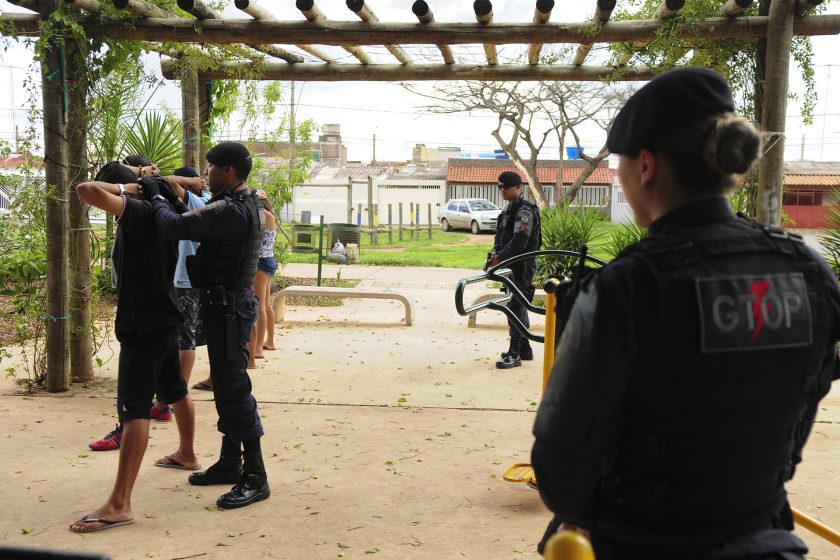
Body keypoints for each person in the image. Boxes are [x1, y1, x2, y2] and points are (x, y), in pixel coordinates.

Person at [531, 68, 840, 560]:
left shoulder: (626, 287)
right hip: (763, 536)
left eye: (620, 164)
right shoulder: (808, 270)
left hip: (639, 543)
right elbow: (800, 413)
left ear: (647, 166)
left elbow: (560, 470)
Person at [70, 162, 200, 533]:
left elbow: (85, 189)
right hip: (164, 318)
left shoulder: (141, 210)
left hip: (143, 325)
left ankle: (120, 503)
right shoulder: (167, 209)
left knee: (134, 411)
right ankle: (187, 453)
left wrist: (129, 186)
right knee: (175, 390)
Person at [145, 142, 271, 510]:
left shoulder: (233, 210)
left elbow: (173, 228)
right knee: (227, 390)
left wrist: (155, 195)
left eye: (211, 168)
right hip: (226, 308)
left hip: (229, 310)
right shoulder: (243, 203)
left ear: (228, 170)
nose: (206, 175)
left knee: (233, 390)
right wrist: (173, 195)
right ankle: (231, 462)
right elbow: (196, 218)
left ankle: (256, 476)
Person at [487, 171, 542, 369]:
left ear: (518, 187)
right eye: (499, 186)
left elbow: (520, 240)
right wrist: (495, 253)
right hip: (510, 265)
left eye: (505, 186)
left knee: (516, 306)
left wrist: (500, 256)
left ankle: (515, 352)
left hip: (522, 266)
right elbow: (499, 235)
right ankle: (525, 347)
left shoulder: (524, 212)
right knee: (516, 304)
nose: (501, 190)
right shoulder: (508, 210)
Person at [247, 189, 278, 368]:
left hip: (260, 262)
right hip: (268, 261)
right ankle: (269, 341)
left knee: (259, 304)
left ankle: (258, 347)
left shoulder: (262, 215)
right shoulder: (270, 215)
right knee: (265, 303)